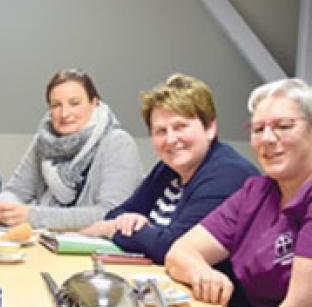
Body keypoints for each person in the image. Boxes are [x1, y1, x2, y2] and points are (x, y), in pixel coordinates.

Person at [166, 78, 312, 307]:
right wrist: (202, 272)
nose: (267, 139)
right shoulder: (256, 192)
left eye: (283, 126)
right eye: (258, 129)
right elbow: (180, 252)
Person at [81, 74, 259, 263]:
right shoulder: (168, 169)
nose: (171, 139)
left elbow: (173, 246)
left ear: (209, 129)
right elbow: (117, 214)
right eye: (161, 131)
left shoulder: (228, 174)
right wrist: (129, 222)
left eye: (180, 127)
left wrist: (111, 230)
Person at [0, 69, 142, 230]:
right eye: (56, 105)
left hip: (95, 249)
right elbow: (15, 191)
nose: (65, 113)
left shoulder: (118, 143)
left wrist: (33, 216)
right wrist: (5, 209)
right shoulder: (43, 142)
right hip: (46, 242)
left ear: (94, 103)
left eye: (74, 103)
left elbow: (111, 213)